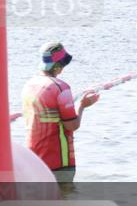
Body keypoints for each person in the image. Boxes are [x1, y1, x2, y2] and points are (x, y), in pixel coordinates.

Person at [22, 42, 99, 184]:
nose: (63, 69)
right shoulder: (61, 88)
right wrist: (82, 105)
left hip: (33, 159)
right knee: (63, 201)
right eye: (62, 65)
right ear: (57, 66)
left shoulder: (29, 85)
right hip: (58, 161)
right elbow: (72, 125)